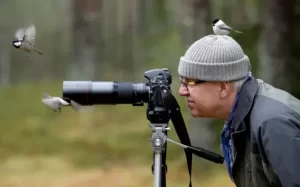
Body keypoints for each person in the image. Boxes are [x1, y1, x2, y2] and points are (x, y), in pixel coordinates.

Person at [177, 34, 300, 187]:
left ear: (223, 87)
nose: (182, 91)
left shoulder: (272, 123)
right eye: (182, 81)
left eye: (190, 82)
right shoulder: (240, 118)